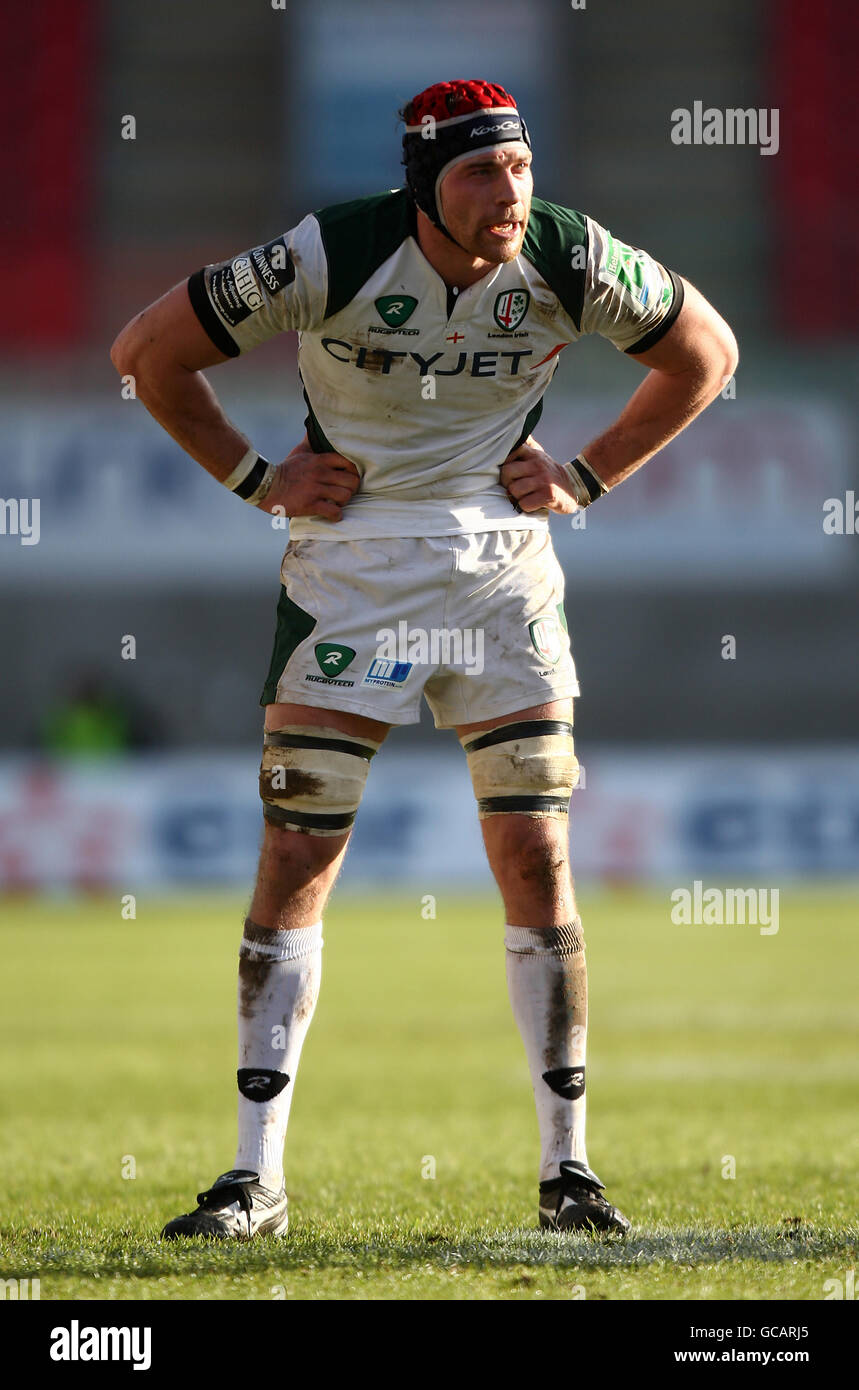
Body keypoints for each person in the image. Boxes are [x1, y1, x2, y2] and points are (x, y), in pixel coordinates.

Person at [110, 79, 738, 1240]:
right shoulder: (329, 252)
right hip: (349, 569)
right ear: (421, 186)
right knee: (296, 850)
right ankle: (256, 1180)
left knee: (536, 859)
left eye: (521, 166)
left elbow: (706, 353)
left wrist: (587, 477)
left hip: (504, 577)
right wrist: (259, 480)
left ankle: (570, 1174)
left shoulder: (569, 254)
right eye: (478, 173)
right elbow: (146, 354)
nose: (510, 194)